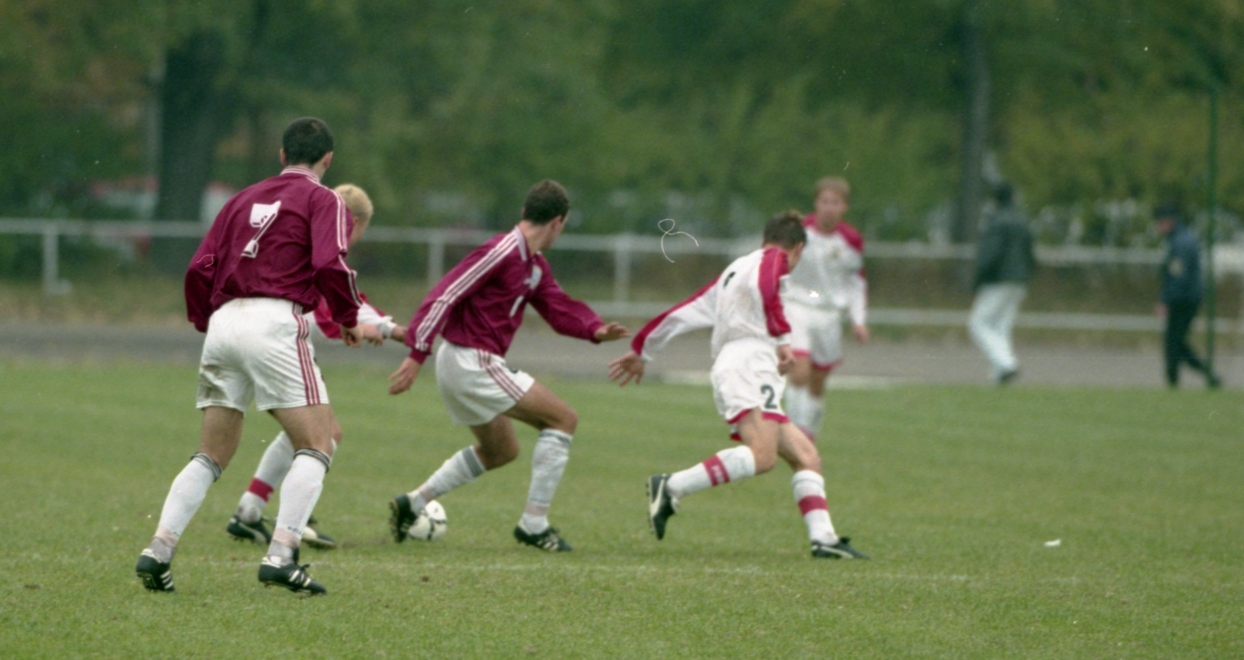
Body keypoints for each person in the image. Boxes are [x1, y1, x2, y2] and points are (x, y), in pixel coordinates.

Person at [134, 117, 361, 596]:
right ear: (328, 159)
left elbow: (199, 268)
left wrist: (207, 321)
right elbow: (329, 263)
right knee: (318, 443)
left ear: (281, 155)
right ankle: (281, 555)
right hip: (274, 322)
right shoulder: (325, 199)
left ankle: (158, 550)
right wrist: (348, 315)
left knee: (211, 453)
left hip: (224, 323)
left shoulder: (241, 199)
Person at [386, 180, 629, 552]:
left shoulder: (534, 265)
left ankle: (413, 503)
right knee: (563, 419)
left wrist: (594, 329)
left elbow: (558, 307)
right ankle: (534, 525)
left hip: (464, 361)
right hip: (472, 360)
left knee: (501, 450)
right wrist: (417, 353)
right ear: (558, 222)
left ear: (525, 212)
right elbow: (446, 294)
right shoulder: (501, 251)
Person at [608, 212, 868, 559]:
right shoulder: (774, 260)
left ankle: (824, 538)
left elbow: (684, 312)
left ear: (763, 239)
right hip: (749, 364)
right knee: (763, 456)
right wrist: (783, 339)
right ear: (798, 249)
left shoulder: (733, 272)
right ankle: (672, 486)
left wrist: (643, 349)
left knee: (806, 456)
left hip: (744, 364)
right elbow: (769, 287)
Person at [226, 183, 409, 549]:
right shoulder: (320, 248)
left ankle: (250, 510)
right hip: (273, 345)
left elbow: (346, 300)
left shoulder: (302, 237)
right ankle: (292, 523)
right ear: (355, 222)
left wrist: (390, 329)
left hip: (239, 336)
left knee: (310, 432)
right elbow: (325, 311)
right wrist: (361, 328)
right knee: (322, 435)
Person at [782, 177, 869, 439]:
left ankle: (810, 430)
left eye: (835, 202)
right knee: (799, 371)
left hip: (829, 314)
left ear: (844, 207)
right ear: (816, 203)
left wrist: (858, 320)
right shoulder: (800, 232)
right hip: (797, 305)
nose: (829, 207)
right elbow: (780, 265)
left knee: (818, 380)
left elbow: (855, 283)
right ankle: (794, 432)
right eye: (825, 201)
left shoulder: (851, 240)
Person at [969, 182, 1035, 385]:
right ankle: (1000, 374)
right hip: (1019, 280)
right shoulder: (1022, 221)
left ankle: (1007, 364)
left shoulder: (995, 222)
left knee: (978, 323)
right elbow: (1030, 253)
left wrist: (977, 279)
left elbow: (990, 255)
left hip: (997, 280)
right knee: (1001, 326)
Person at [1155, 204, 1222, 389]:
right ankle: (1206, 376)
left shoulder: (1180, 242)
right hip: (1186, 298)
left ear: (1168, 221)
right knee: (1176, 342)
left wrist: (1165, 300)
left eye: (1160, 223)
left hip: (1183, 300)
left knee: (1173, 343)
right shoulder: (1181, 238)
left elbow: (1178, 276)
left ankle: (1175, 382)